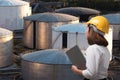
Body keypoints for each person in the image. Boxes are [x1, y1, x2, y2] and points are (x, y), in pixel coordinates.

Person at [71, 16, 111, 80]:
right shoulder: (105, 49)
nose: (85, 32)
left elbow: (91, 74)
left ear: (92, 30)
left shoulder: (93, 48)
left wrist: (76, 70)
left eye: (87, 28)